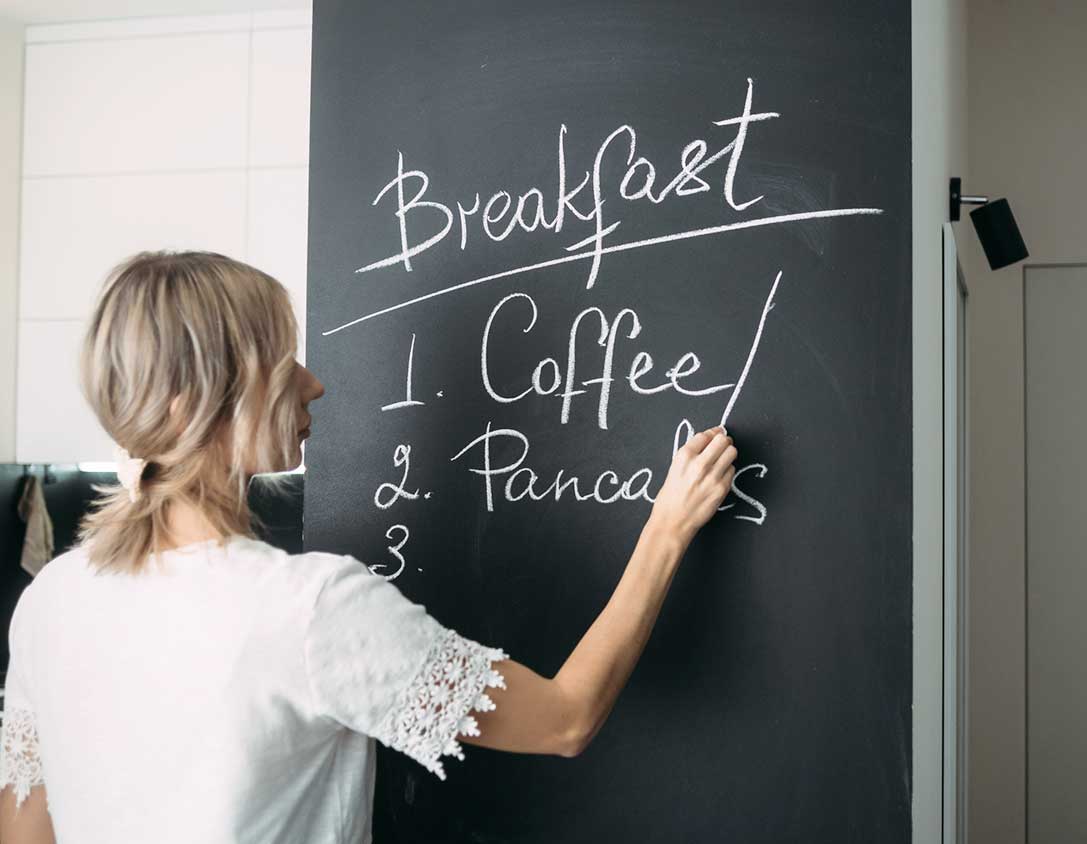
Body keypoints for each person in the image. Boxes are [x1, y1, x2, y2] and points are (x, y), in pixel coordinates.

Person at [0, 251, 736, 843]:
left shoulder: (52, 601)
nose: (314, 384)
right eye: (280, 361)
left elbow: (25, 829)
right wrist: (667, 529)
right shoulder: (309, 608)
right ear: (194, 405)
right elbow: (565, 720)